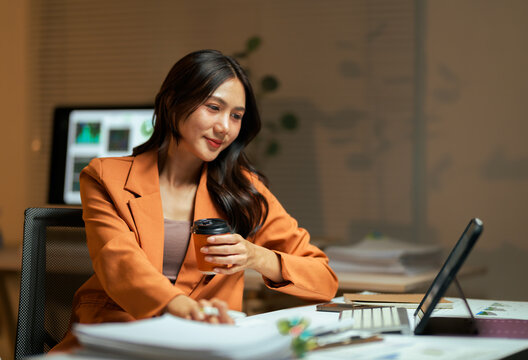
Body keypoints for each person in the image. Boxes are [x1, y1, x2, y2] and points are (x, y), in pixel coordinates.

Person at [53, 49, 338, 351]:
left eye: (236, 116)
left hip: (202, 346)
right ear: (173, 102)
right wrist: (175, 304)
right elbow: (119, 261)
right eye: (213, 107)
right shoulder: (105, 176)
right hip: (118, 339)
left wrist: (256, 256)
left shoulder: (243, 189)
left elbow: (324, 279)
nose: (225, 127)